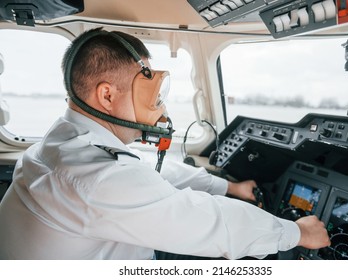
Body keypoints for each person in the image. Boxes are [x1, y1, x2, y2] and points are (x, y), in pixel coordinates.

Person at [0, 28, 330, 260]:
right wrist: (296, 233)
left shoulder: (65, 143)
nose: (158, 105)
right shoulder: (94, 180)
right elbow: (208, 223)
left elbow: (144, 173)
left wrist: (228, 187)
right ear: (107, 95)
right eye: (148, 92)